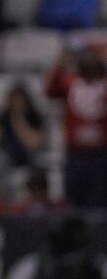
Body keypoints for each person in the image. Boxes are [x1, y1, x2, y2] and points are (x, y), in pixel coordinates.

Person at [45, 47, 107, 208]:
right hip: (76, 153)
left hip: (101, 154)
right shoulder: (71, 83)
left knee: (99, 201)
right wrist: (59, 64)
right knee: (74, 199)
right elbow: (50, 91)